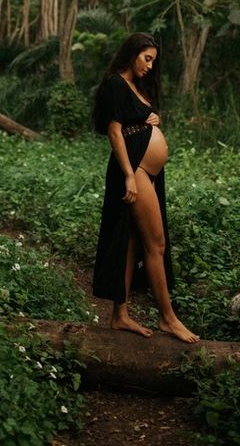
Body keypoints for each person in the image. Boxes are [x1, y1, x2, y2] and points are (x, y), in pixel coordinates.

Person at [91, 32, 199, 343]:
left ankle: (120, 316)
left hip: (146, 170)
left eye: (153, 60)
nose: (150, 65)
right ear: (132, 53)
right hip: (134, 168)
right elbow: (114, 133)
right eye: (146, 58)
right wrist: (128, 175)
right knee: (156, 244)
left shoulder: (136, 87)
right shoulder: (115, 83)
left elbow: (133, 122)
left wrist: (151, 119)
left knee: (132, 243)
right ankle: (167, 318)